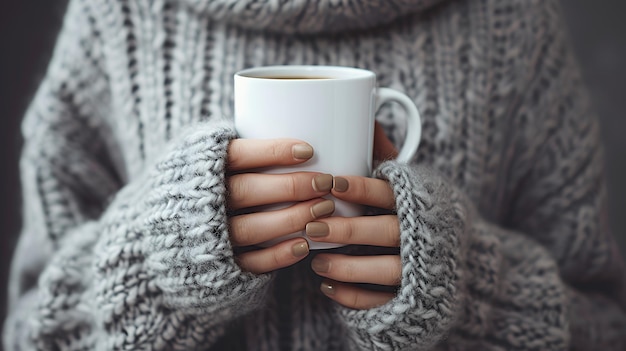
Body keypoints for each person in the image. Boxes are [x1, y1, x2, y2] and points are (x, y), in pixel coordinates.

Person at [4, 0, 626, 349]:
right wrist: (156, 263)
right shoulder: (117, 17)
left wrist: (465, 292)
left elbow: (603, 325)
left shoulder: (513, 23)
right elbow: (31, 330)